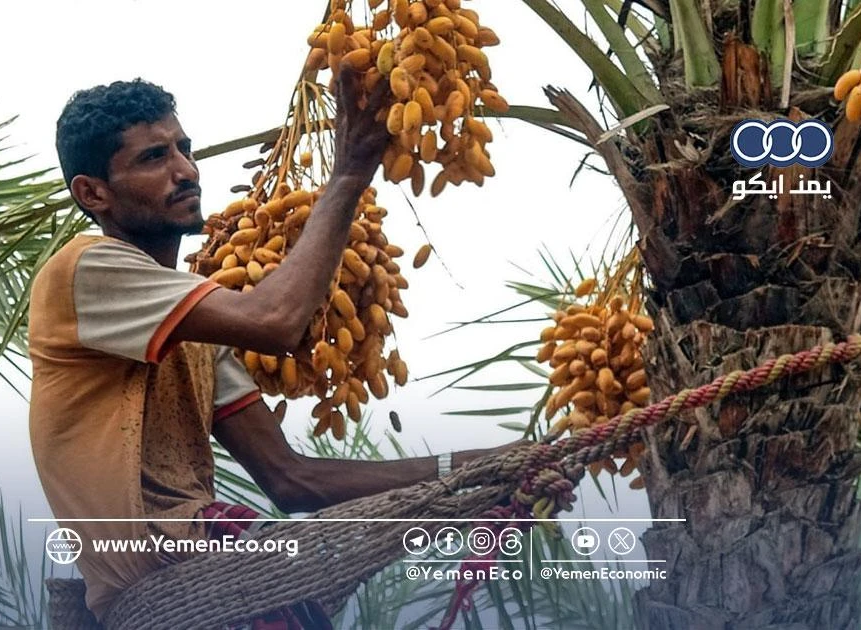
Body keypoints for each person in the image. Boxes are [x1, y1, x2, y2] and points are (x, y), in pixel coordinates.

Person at [28, 71, 516, 626]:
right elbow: (276, 320)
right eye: (153, 158)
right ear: (94, 193)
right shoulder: (86, 268)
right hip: (163, 574)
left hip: (204, 566)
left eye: (184, 150)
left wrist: (471, 468)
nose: (186, 171)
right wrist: (348, 175)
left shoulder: (195, 330)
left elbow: (293, 479)